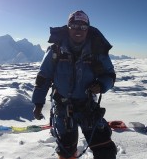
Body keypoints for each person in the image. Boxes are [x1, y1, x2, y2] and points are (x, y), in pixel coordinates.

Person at [32, 10, 117, 159]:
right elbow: (43, 78)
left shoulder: (97, 51)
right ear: (68, 27)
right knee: (66, 153)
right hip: (63, 109)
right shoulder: (55, 50)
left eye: (83, 27)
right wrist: (38, 103)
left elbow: (109, 75)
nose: (79, 30)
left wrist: (101, 85)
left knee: (105, 151)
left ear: (88, 29)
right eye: (74, 26)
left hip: (88, 108)